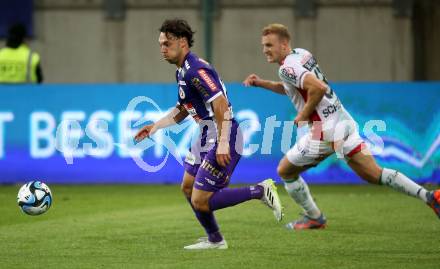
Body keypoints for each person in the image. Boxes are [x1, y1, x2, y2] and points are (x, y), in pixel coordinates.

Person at [243, 23, 440, 230]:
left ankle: (314, 218)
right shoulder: (301, 54)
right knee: (374, 174)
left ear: (284, 45)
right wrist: (261, 83)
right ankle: (430, 197)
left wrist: (303, 114)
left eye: (269, 45)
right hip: (342, 121)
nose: (265, 49)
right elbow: (293, 88)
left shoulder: (287, 68)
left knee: (285, 170)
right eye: (264, 45)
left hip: (325, 132)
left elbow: (318, 88)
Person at [135, 19, 283, 249]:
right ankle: (215, 240)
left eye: (167, 43)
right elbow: (183, 109)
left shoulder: (196, 69)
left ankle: (260, 190)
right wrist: (154, 126)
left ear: (182, 42)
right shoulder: (182, 72)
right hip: (205, 134)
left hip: (223, 133)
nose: (162, 48)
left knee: (201, 200)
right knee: (187, 187)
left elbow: (220, 103)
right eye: (160, 44)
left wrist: (223, 142)